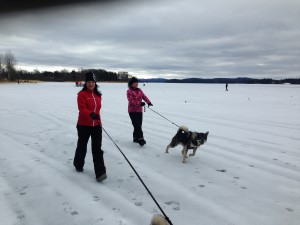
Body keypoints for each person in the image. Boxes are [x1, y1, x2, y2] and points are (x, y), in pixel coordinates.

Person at [73, 72, 107, 182]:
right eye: (89, 82)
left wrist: (98, 120)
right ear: (85, 83)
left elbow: (98, 111)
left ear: (95, 83)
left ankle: (100, 173)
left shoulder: (98, 95)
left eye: (92, 82)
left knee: (97, 149)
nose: (91, 84)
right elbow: (82, 109)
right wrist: (91, 114)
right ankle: (78, 164)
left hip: (96, 125)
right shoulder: (81, 95)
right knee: (82, 146)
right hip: (83, 125)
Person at [127, 77, 153, 146]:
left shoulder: (139, 90)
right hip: (132, 111)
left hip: (139, 111)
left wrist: (148, 102)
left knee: (139, 125)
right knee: (137, 125)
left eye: (137, 82)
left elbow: (144, 96)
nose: (136, 84)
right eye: (135, 82)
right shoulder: (129, 91)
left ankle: (135, 138)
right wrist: (139, 103)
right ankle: (141, 139)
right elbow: (131, 100)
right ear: (131, 84)